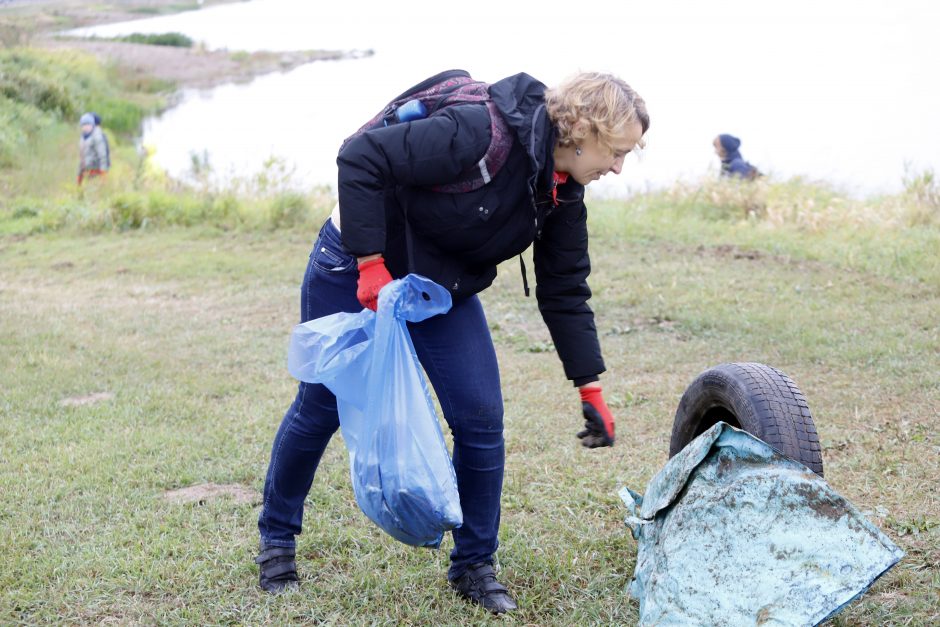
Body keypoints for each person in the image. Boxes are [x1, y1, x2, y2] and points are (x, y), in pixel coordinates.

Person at [255, 70, 649, 614]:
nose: (618, 167)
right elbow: (360, 157)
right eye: (617, 152)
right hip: (355, 264)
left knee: (480, 417)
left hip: (439, 285)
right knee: (322, 404)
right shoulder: (477, 132)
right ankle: (277, 539)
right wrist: (370, 264)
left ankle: (474, 565)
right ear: (582, 130)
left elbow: (564, 288)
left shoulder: (561, 191)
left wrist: (590, 386)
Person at [77, 112, 110, 184]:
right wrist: (79, 175)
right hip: (87, 171)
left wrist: (103, 172)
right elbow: (82, 156)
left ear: (93, 125)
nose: (86, 127)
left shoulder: (98, 137)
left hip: (96, 171)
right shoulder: (83, 137)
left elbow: (103, 156)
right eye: (83, 125)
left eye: (88, 124)